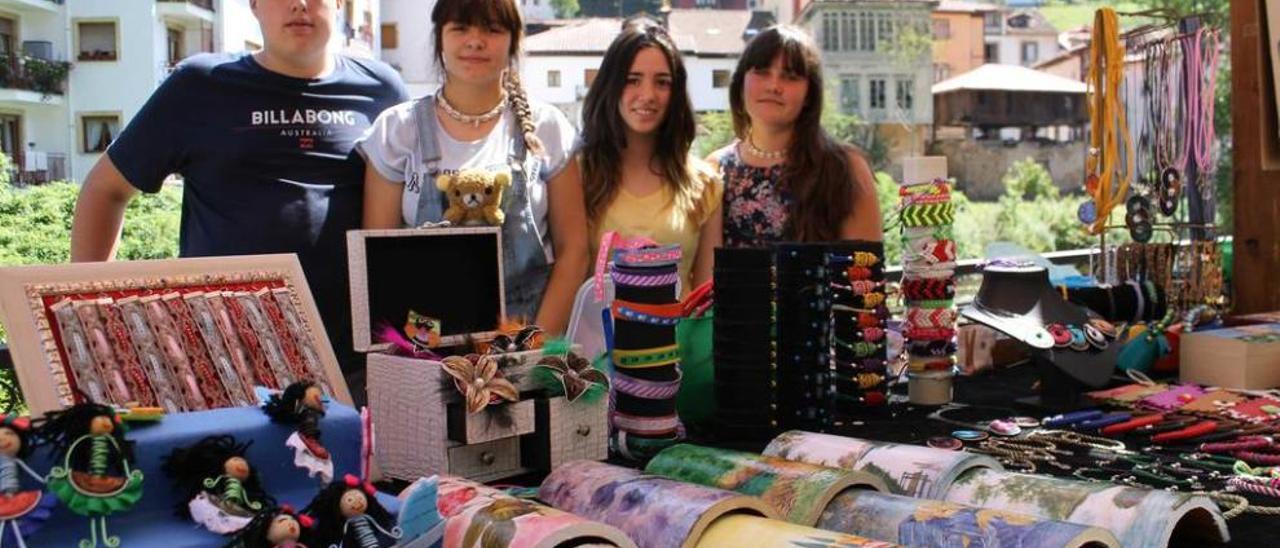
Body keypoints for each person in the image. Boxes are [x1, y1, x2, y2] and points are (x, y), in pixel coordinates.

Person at [69, 0, 409, 404]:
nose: (299, 5)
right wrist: (89, 315)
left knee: (352, 469)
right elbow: (105, 190)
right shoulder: (199, 85)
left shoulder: (383, 89)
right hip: (223, 360)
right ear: (253, 5)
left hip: (350, 364)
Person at [358, 0, 583, 334]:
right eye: (460, 27)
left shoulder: (547, 127)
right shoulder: (397, 130)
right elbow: (378, 260)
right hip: (425, 348)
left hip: (526, 346)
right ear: (439, 38)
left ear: (513, 40)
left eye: (492, 29)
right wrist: (419, 354)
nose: (475, 41)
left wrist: (532, 350)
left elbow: (575, 252)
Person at [573, 18, 721, 294]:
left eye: (662, 82)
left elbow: (705, 302)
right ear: (610, 86)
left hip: (678, 338)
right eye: (632, 80)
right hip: (596, 336)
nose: (648, 95)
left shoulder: (705, 185)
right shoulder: (575, 176)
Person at [709, 25, 882, 247]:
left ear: (810, 94)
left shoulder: (845, 169)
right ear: (741, 82)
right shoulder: (714, 171)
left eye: (789, 76)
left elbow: (864, 273)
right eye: (762, 72)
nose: (774, 86)